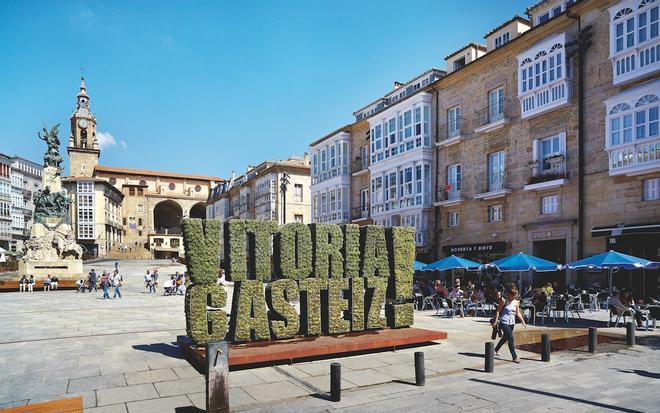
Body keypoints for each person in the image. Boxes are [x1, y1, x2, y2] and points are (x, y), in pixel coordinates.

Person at [494, 285, 526, 363]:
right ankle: (514, 357)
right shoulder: (504, 301)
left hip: (511, 323)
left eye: (515, 295)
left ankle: (496, 349)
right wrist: (495, 321)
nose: (514, 297)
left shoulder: (516, 302)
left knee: (505, 337)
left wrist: (522, 320)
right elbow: (498, 311)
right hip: (503, 322)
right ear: (509, 294)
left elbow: (517, 313)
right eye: (512, 295)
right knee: (511, 338)